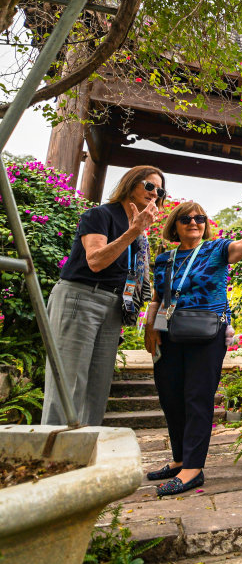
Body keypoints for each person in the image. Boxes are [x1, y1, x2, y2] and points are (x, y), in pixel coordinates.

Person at [143, 202, 242, 496]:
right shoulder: (165, 258)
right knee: (170, 397)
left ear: (205, 223)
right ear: (175, 225)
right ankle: (180, 459)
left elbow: (237, 247)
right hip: (169, 333)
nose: (193, 222)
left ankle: (193, 469)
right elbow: (158, 297)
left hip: (206, 333)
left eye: (199, 218)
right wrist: (150, 327)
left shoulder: (215, 249)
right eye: (186, 219)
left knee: (196, 397)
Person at [41, 166, 165, 426]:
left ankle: (83, 451)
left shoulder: (141, 230)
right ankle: (53, 456)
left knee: (97, 387)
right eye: (149, 185)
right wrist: (133, 231)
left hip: (113, 305)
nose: (154, 193)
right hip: (81, 297)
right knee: (68, 382)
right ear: (131, 183)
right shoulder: (100, 215)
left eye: (160, 190)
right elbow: (96, 261)